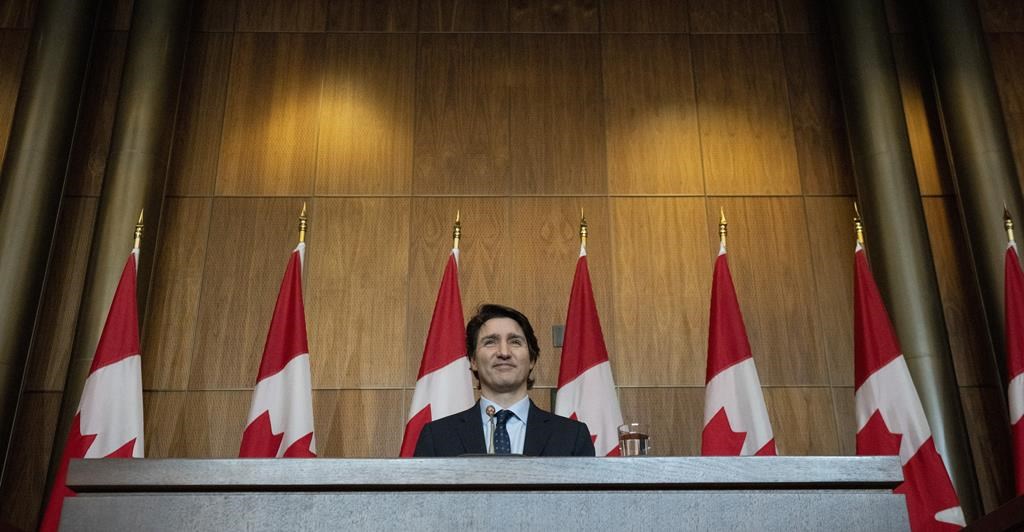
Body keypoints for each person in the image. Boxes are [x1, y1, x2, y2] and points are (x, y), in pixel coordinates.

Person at [413, 304, 595, 457]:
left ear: (532, 359)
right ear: (473, 361)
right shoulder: (436, 437)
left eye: (515, 342)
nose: (504, 353)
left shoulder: (572, 436)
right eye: (490, 342)